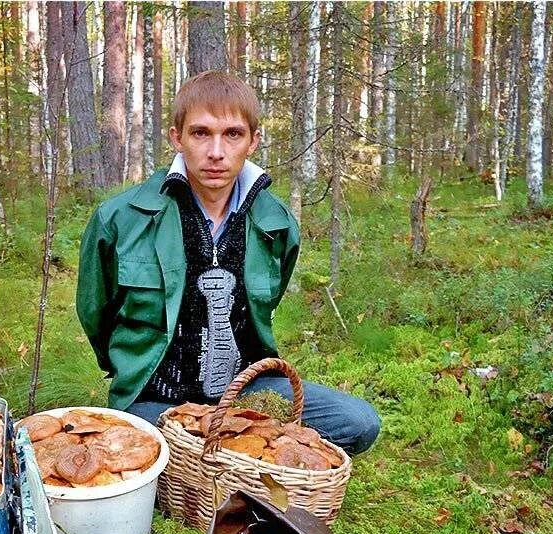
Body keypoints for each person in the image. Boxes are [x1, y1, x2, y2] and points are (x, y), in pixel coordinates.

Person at [76, 71, 380, 455]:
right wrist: (130, 364)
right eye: (201, 133)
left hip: (247, 391)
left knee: (358, 423)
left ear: (253, 141)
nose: (216, 152)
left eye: (232, 134)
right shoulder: (121, 219)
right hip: (155, 397)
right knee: (128, 448)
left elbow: (265, 303)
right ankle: (230, 457)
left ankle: (233, 450)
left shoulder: (276, 223)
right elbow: (94, 312)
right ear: (177, 138)